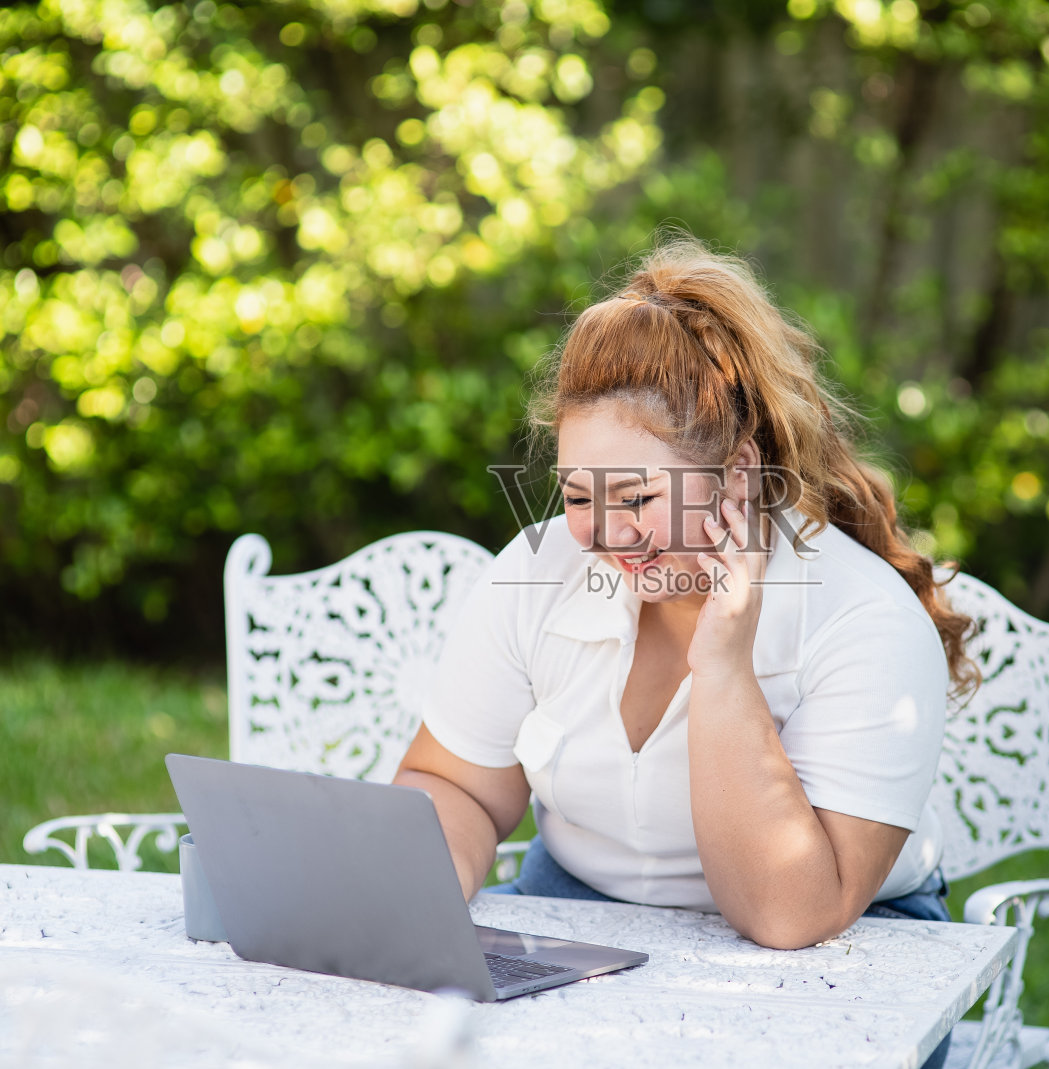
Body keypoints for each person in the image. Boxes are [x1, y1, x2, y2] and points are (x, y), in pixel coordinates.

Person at [393, 236, 977, 1061]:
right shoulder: (539, 572)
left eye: (635, 495)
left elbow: (789, 914)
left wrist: (726, 662)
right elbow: (454, 783)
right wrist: (428, 880)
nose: (602, 534)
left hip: (841, 956)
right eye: (577, 495)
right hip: (586, 925)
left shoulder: (863, 619)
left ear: (737, 473)